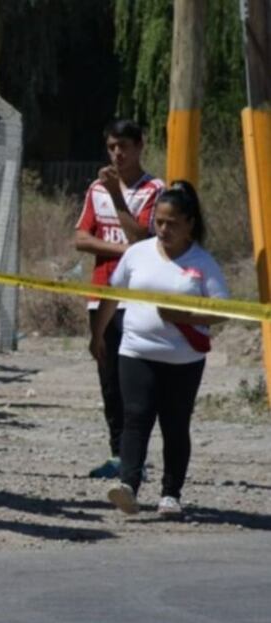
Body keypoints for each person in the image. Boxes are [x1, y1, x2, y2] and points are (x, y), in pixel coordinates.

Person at [91, 182, 227, 517]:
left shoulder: (203, 262)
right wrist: (98, 335)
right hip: (136, 350)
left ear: (189, 224)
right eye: (159, 222)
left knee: (175, 424)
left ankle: (171, 493)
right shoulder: (138, 253)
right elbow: (113, 293)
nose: (164, 229)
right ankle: (128, 486)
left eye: (172, 223)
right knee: (135, 417)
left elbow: (223, 310)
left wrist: (186, 315)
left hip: (183, 359)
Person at [75, 119, 164, 479]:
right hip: (101, 296)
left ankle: (136, 458)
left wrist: (117, 197)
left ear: (140, 145)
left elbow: (143, 238)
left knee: (136, 382)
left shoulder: (154, 189)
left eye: (124, 146)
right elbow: (81, 238)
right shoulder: (96, 188)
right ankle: (117, 453)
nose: (117, 154)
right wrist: (119, 249)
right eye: (112, 146)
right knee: (109, 379)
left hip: (137, 300)